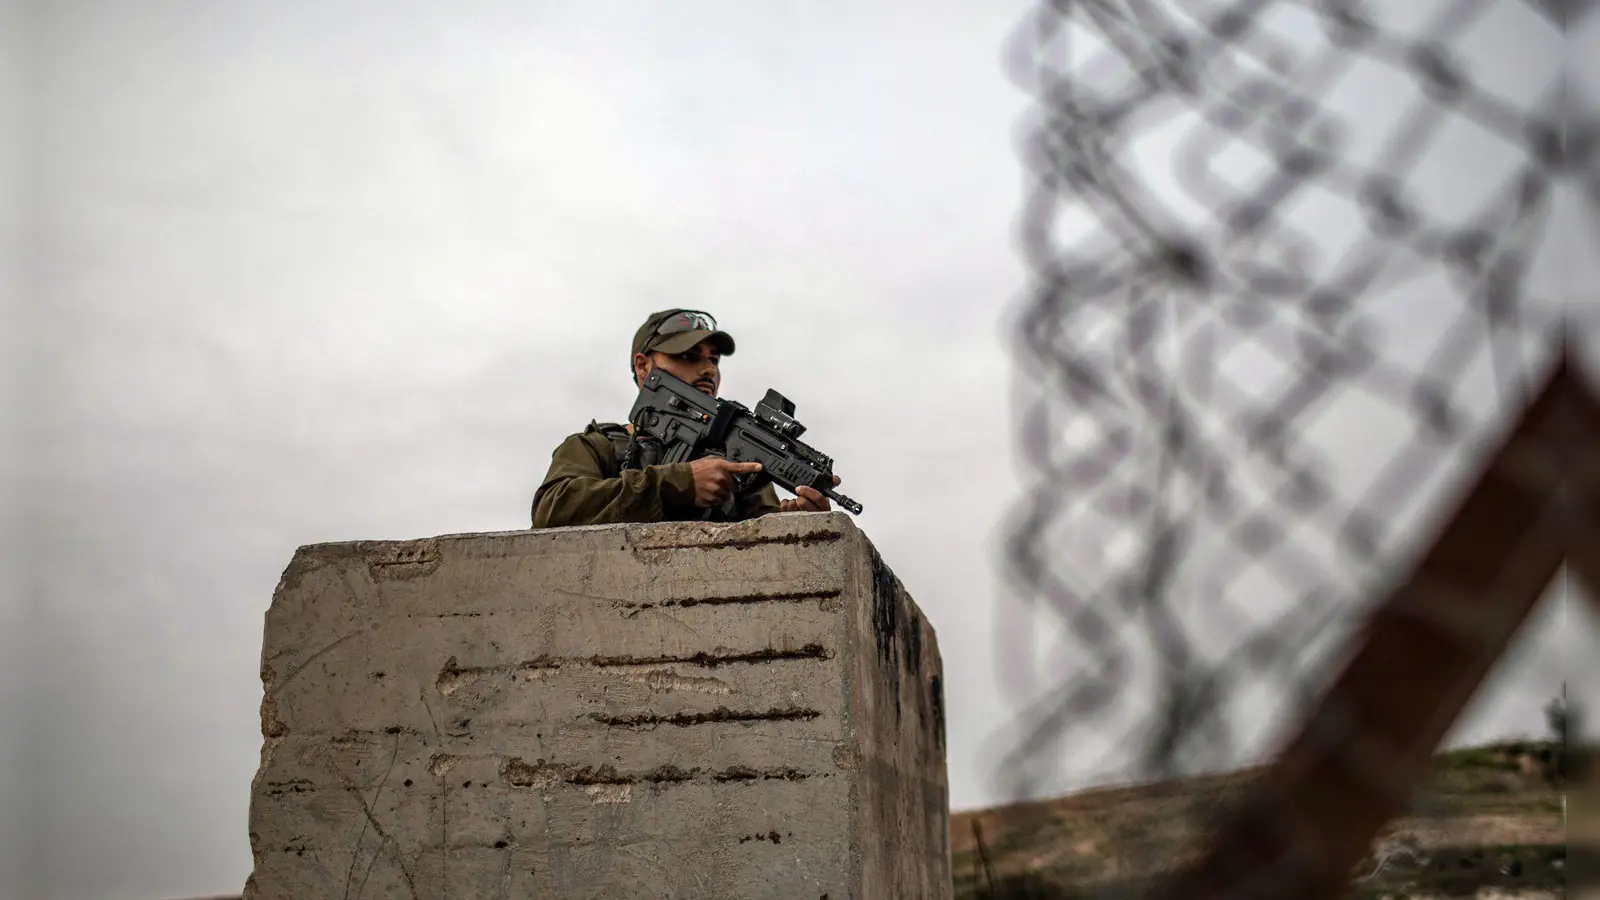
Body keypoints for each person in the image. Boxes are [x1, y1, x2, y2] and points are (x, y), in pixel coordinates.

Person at [530, 308, 840, 528]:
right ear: (643, 366)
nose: (708, 369)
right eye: (688, 356)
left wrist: (796, 523)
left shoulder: (735, 463)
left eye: (713, 360)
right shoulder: (597, 446)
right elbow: (553, 508)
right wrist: (679, 483)